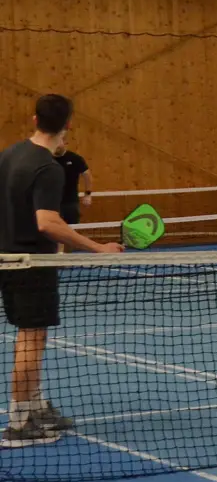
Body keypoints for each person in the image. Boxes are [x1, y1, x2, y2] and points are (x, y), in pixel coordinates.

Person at [1, 95, 122, 448]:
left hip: (8, 258)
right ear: (69, 124)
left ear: (34, 118)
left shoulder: (8, 156)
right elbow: (48, 223)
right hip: (32, 264)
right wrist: (100, 250)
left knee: (32, 336)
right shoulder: (48, 168)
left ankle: (35, 406)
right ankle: (19, 421)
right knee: (31, 338)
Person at [53, 142, 91, 253]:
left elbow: (87, 175)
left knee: (71, 228)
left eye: (58, 145)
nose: (56, 147)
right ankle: (58, 253)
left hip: (71, 201)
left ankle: (68, 255)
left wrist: (88, 194)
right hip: (54, 202)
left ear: (65, 143)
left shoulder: (75, 158)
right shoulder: (47, 159)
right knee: (57, 229)